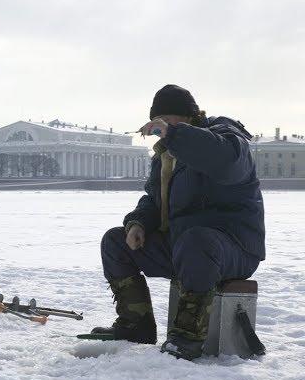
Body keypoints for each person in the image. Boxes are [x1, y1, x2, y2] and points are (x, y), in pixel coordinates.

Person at [92, 84, 265, 360]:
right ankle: (136, 324)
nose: (161, 128)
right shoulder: (165, 156)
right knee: (115, 241)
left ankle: (187, 336)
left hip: (234, 248)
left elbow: (224, 161)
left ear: (190, 118)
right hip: (186, 248)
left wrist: (174, 134)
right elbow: (154, 199)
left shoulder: (226, 138)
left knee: (196, 240)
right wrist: (137, 223)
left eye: (167, 121)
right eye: (158, 123)